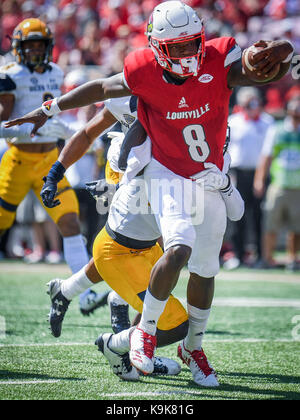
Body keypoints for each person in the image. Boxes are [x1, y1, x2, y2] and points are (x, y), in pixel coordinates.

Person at [5, 1, 294, 386]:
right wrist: (51, 109)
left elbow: (258, 71)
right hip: (162, 177)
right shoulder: (140, 77)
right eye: (177, 48)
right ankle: (139, 331)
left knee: (204, 269)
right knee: (177, 248)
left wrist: (283, 52)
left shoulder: (216, 62)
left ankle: (188, 346)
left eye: (193, 45)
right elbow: (99, 95)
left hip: (204, 175)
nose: (188, 55)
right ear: (157, 48)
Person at [44, 94, 244, 382]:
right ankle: (123, 335)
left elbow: (234, 210)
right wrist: (62, 172)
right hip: (131, 179)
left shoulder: (192, 128)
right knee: (163, 261)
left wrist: (222, 185)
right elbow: (114, 133)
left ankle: (73, 292)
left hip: (145, 201)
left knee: (164, 260)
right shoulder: (137, 112)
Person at [0, 18, 107, 314]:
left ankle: (83, 295)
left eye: (40, 45)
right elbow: (1, 122)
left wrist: (60, 129)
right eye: (30, 45)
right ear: (18, 48)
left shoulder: (56, 72)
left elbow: (52, 113)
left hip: (49, 159)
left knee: (70, 222)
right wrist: (25, 130)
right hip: (18, 160)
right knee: (1, 223)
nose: (35, 50)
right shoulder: (10, 75)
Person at [225, 87, 275, 269]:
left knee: (259, 215)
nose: (252, 106)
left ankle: (260, 256)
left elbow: (268, 152)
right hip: (238, 172)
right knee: (238, 215)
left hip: (260, 173)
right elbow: (227, 150)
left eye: (254, 102)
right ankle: (237, 255)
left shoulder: (267, 122)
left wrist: (262, 177)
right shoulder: (233, 121)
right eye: (247, 103)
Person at [254, 97, 300, 271]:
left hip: (298, 186)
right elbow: (266, 157)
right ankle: (267, 258)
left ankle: (292, 258)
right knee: (271, 224)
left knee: (297, 227)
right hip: (279, 184)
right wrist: (259, 180)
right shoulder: (277, 130)